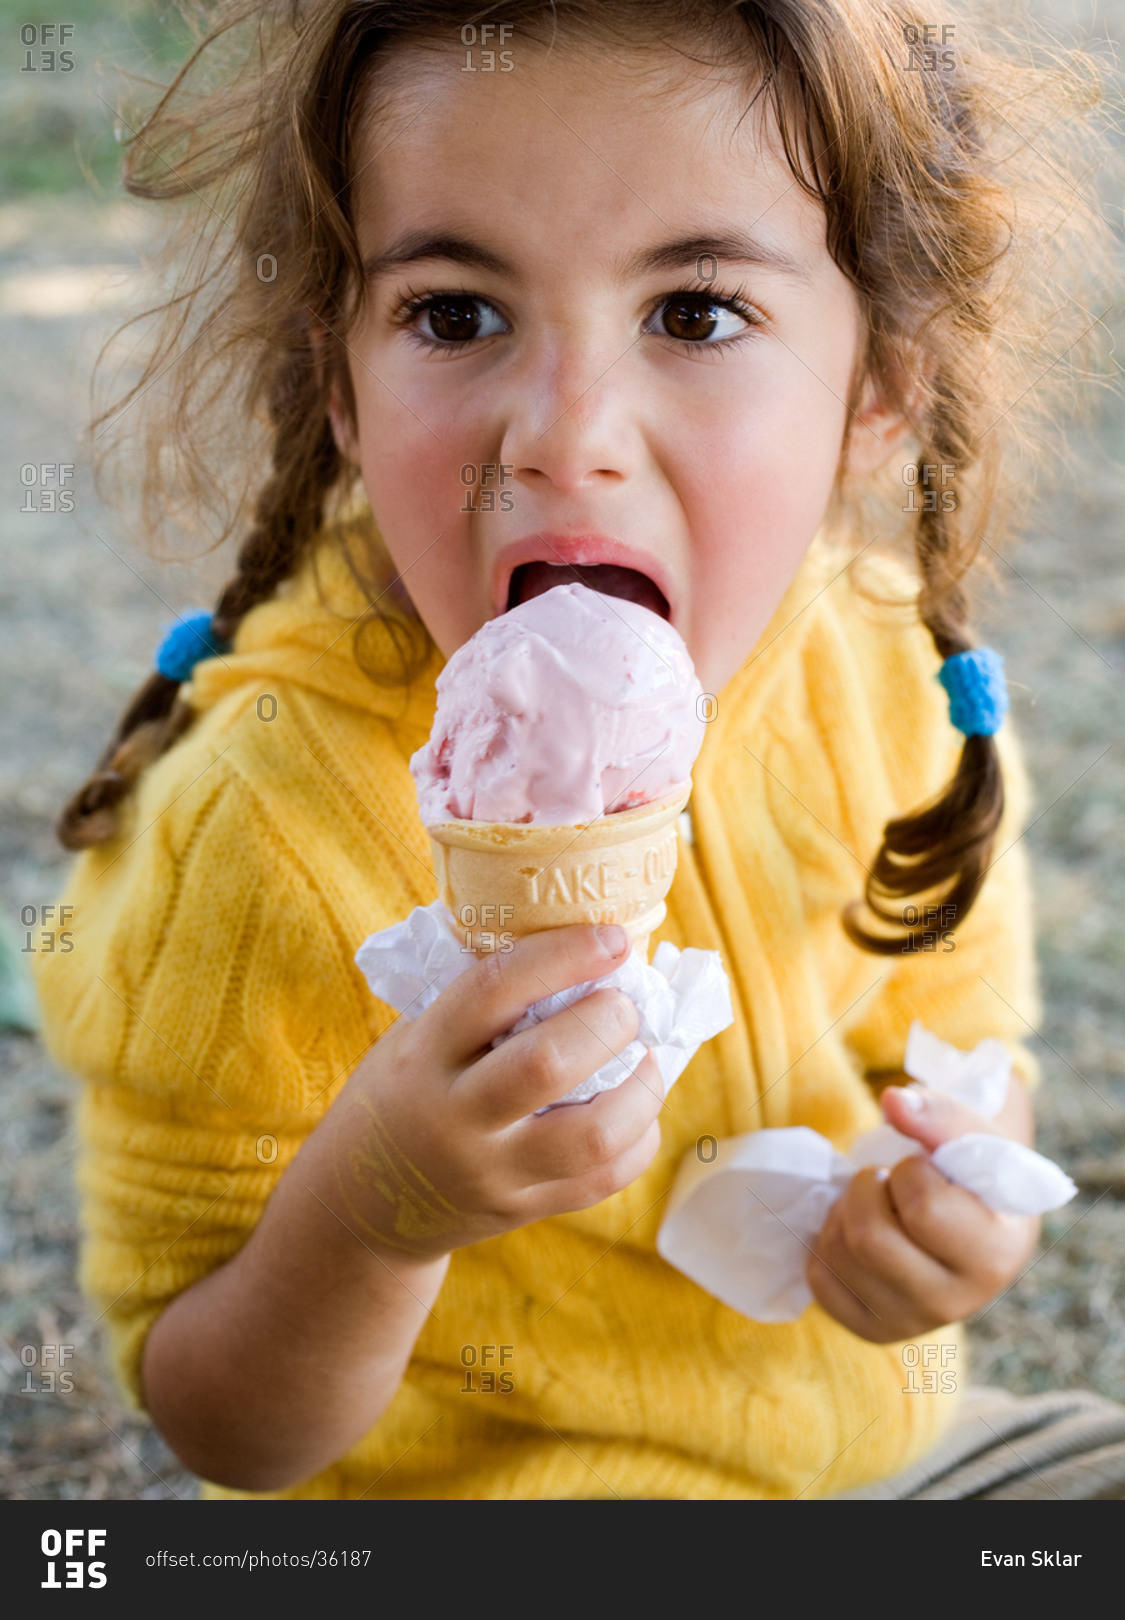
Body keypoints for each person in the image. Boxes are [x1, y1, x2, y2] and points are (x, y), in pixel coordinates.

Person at [35, 0, 1125, 1499]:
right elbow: (221, 1421)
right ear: (341, 384)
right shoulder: (258, 820)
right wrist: (377, 1212)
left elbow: (958, 1046)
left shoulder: (881, 670)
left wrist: (954, 1198)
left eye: (693, 313)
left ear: (883, 384)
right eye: (455, 313)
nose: (565, 433)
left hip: (898, 1462)